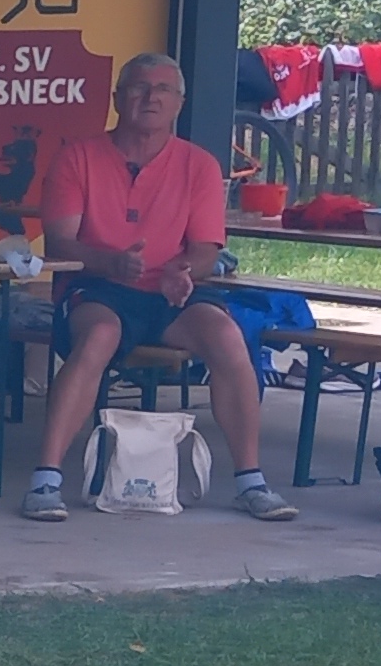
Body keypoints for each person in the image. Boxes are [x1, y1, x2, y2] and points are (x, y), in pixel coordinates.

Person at [24, 52, 295, 523]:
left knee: (227, 335)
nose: (150, 98)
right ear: (117, 98)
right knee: (99, 336)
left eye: (163, 90)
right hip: (98, 286)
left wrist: (181, 269)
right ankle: (45, 481)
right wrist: (111, 261)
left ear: (179, 103)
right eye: (139, 87)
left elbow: (207, 250)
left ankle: (251, 481)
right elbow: (59, 243)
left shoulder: (199, 164)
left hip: (171, 293)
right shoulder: (77, 157)